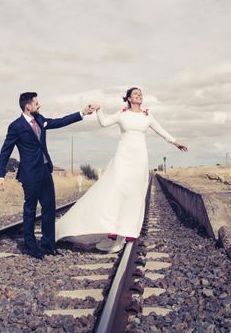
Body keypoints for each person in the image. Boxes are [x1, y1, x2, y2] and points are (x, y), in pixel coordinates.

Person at [55, 87, 187, 252]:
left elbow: (161, 130)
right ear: (129, 99)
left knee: (135, 193)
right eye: (136, 94)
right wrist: (99, 110)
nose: (139, 95)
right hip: (123, 157)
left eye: (141, 94)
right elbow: (104, 123)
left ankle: (128, 231)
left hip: (139, 158)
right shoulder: (122, 113)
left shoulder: (147, 114)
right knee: (116, 190)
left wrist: (175, 142)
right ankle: (113, 228)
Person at [0, 92, 95, 259]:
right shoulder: (16, 126)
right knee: (30, 210)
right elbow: (5, 150)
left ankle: (48, 245)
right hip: (29, 174)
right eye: (36, 103)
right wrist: (0, 175)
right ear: (28, 106)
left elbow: (60, 121)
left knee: (49, 208)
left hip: (45, 170)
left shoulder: (40, 120)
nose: (39, 105)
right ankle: (30, 246)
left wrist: (82, 113)